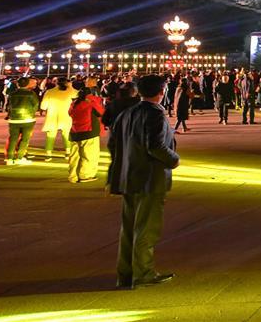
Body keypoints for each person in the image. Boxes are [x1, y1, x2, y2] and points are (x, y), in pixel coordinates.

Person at [107, 74, 179, 290]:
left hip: (129, 176)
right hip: (149, 176)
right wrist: (173, 159)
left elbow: (113, 144)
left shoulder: (127, 113)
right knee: (147, 227)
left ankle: (126, 274)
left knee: (128, 228)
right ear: (161, 91)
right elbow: (155, 145)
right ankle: (143, 273)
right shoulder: (155, 114)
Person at [68, 87, 105, 183]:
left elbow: (69, 113)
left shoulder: (74, 103)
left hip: (75, 131)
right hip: (89, 131)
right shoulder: (90, 103)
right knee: (89, 155)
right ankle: (85, 175)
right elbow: (101, 112)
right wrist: (93, 100)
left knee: (74, 156)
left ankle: (73, 175)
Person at [40, 77, 79, 161]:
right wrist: (71, 86)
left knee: (50, 135)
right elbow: (78, 94)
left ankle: (48, 154)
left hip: (52, 116)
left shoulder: (49, 92)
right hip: (66, 116)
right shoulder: (71, 91)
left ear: (56, 83)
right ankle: (68, 153)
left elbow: (43, 106)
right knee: (66, 134)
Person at [5, 77, 39, 165]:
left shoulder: (12, 94)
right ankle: (19, 157)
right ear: (27, 84)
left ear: (17, 84)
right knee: (25, 139)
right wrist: (32, 113)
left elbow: (9, 105)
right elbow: (35, 105)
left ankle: (9, 159)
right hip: (28, 118)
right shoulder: (31, 94)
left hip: (14, 119)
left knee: (13, 139)